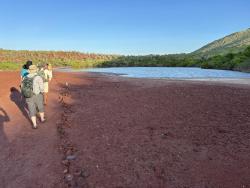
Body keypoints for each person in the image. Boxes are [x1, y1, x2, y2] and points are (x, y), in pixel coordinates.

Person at [22, 65, 46, 129]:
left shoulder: (25, 77)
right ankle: (42, 119)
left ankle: (35, 124)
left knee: (31, 110)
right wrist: (42, 92)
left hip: (28, 95)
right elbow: (42, 88)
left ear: (29, 70)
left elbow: (22, 86)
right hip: (37, 95)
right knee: (40, 107)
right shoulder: (38, 77)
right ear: (35, 70)